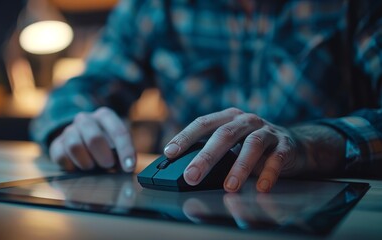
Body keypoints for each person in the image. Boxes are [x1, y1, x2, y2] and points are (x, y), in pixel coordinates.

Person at [30, 0, 382, 193]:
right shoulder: (153, 7)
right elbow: (79, 91)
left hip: (316, 207)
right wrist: (71, 125)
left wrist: (312, 143)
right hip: (184, 213)